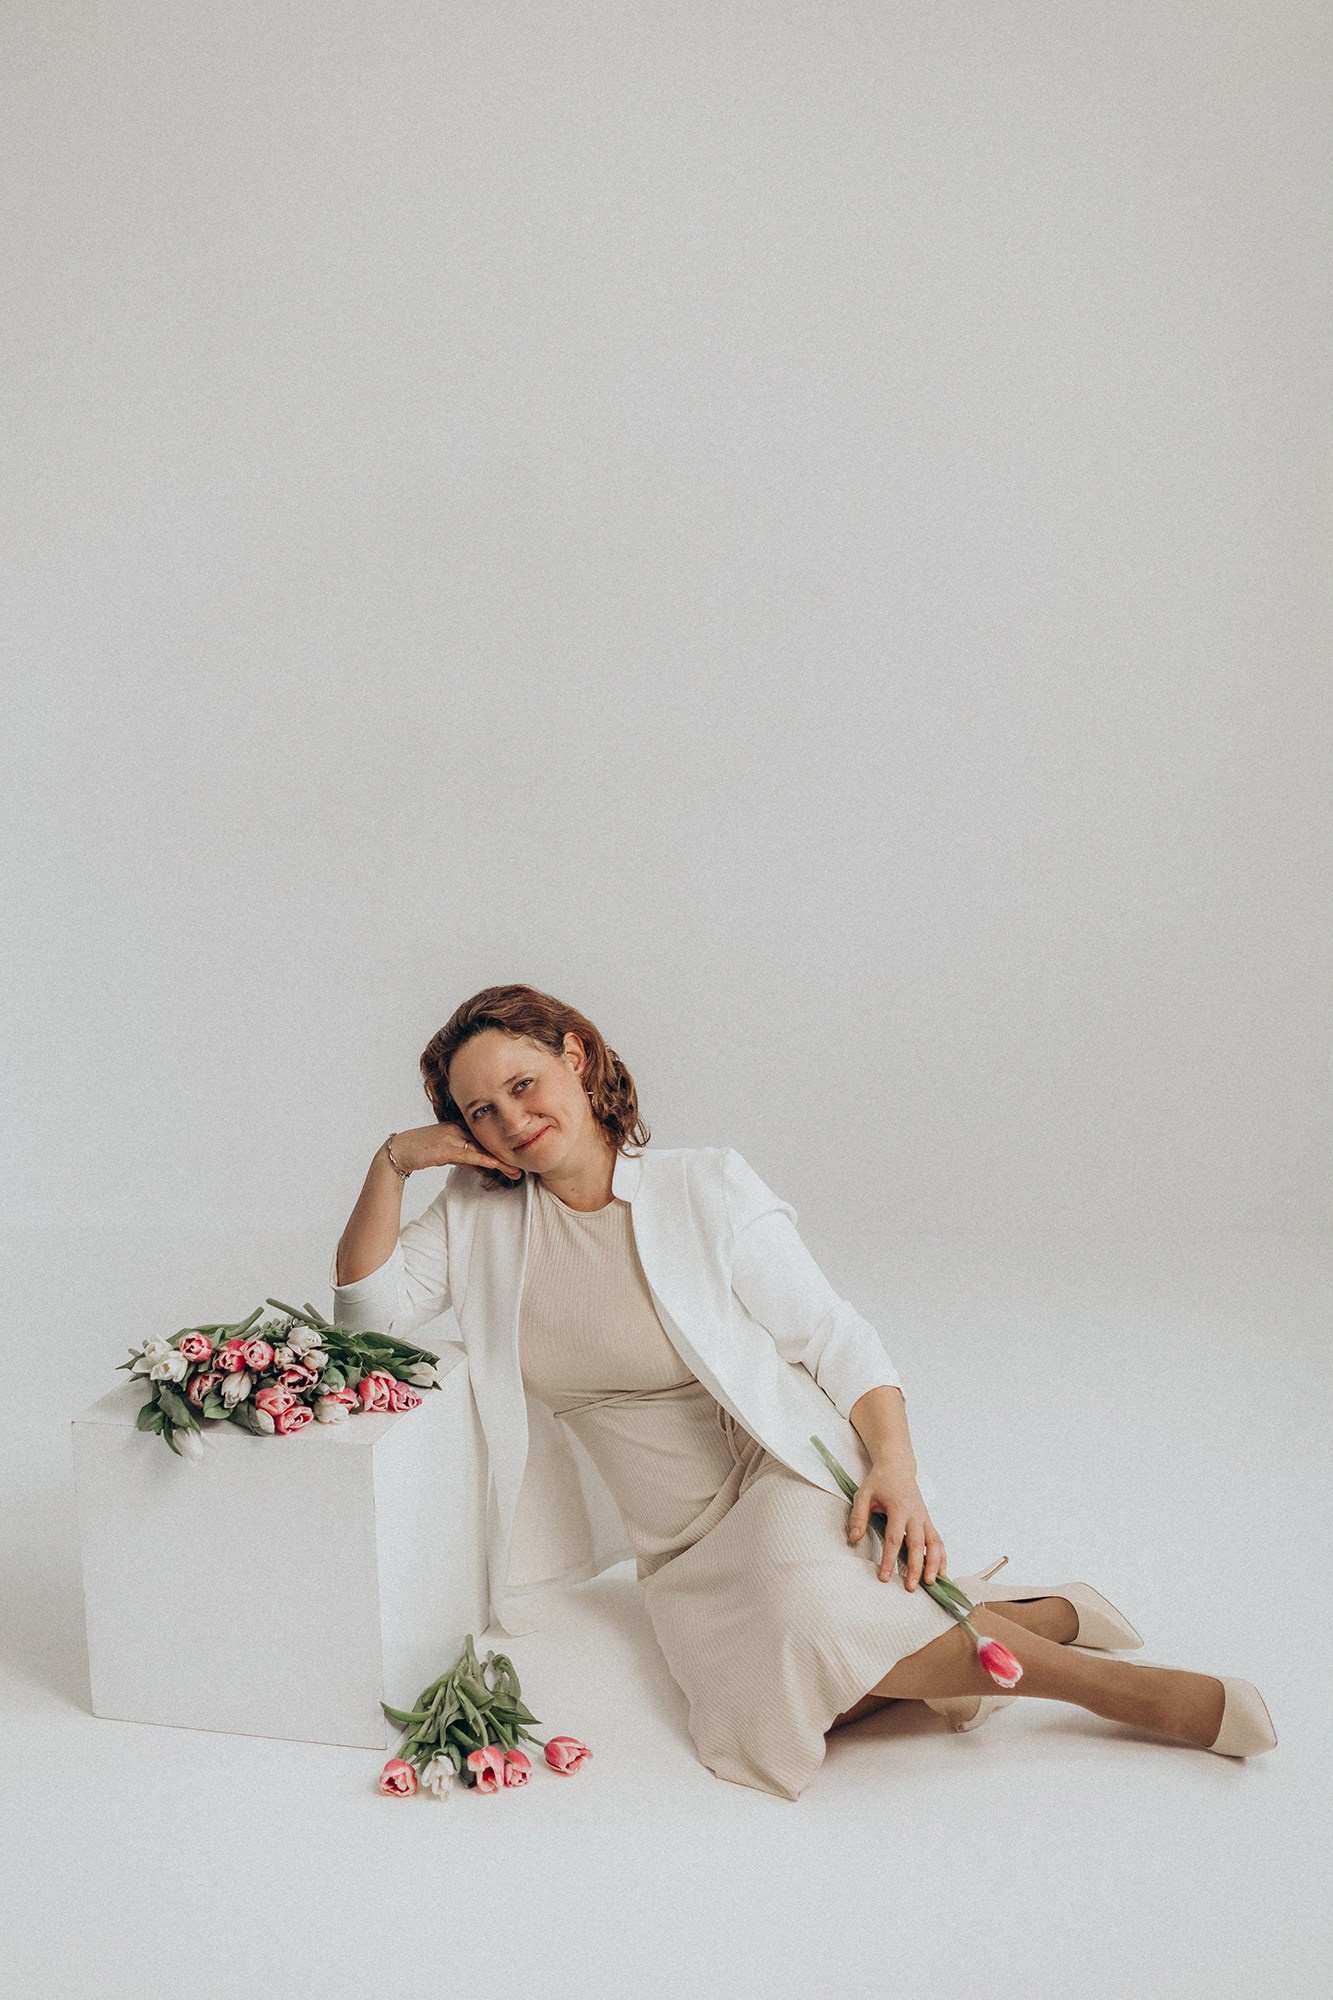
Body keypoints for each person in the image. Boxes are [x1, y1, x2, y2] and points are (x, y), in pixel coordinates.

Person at [332, 983, 1276, 1800]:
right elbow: (364, 1314)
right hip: (676, 1542)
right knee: (765, 1707)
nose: (509, 1119)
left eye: (522, 1084)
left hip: (779, 1469)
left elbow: (831, 1336)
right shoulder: (478, 1220)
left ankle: (1112, 1692)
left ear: (574, 1060)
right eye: (480, 1111)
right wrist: (393, 1162)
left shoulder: (702, 1186)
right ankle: (1032, 1615)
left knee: (808, 1619)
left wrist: (896, 1466)